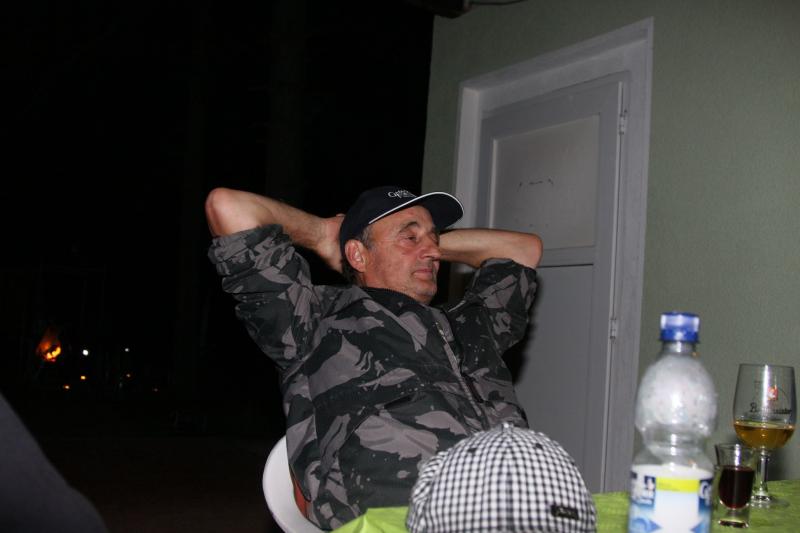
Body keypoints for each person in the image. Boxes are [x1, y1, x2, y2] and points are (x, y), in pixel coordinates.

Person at [206, 185, 542, 530]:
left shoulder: (468, 324)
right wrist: (322, 234)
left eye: (434, 238)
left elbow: (523, 249)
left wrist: (422, 246)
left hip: (521, 506)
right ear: (358, 255)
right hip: (405, 512)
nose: (433, 253)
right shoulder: (314, 318)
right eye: (409, 237)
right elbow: (228, 206)